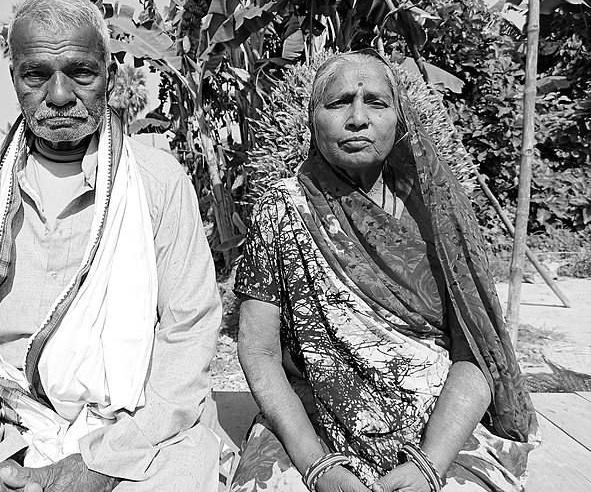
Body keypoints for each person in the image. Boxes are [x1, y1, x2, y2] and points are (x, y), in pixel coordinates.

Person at [0, 0, 232, 492]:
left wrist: (104, 461)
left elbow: (188, 328)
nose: (59, 95)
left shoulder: (156, 181)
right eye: (36, 74)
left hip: (139, 429)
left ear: (107, 74)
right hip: (11, 424)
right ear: (15, 79)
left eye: (81, 72)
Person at [231, 50, 539, 492]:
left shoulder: (439, 215)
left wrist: (430, 467)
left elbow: (476, 351)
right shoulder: (281, 211)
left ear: (400, 119)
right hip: (313, 426)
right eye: (338, 103)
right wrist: (317, 467)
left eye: (376, 102)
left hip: (442, 428)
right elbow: (258, 351)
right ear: (313, 119)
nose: (357, 117)